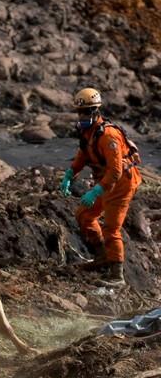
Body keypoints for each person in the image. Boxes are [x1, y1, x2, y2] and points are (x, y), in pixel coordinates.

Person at [59, 88, 142, 286]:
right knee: (85, 215)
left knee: (111, 228)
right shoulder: (88, 132)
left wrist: (97, 191)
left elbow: (115, 172)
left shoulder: (108, 136)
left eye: (86, 112)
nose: (82, 116)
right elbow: (83, 155)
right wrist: (70, 174)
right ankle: (102, 255)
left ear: (96, 111)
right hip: (106, 182)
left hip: (121, 184)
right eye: (80, 112)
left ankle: (117, 274)